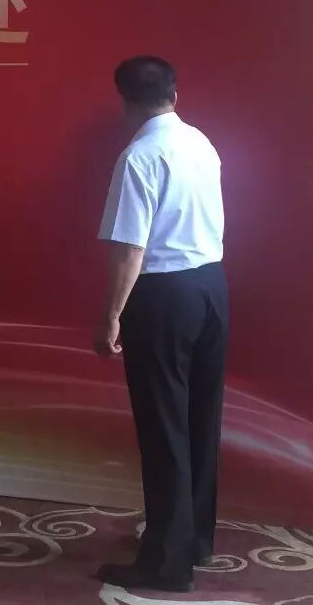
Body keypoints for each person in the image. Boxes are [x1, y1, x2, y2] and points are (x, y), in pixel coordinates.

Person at [93, 56, 228, 594]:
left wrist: (111, 315)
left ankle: (165, 564)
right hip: (211, 287)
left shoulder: (139, 156)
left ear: (125, 101)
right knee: (200, 418)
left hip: (164, 296)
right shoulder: (201, 142)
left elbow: (131, 248)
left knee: (164, 428)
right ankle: (194, 540)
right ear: (174, 93)